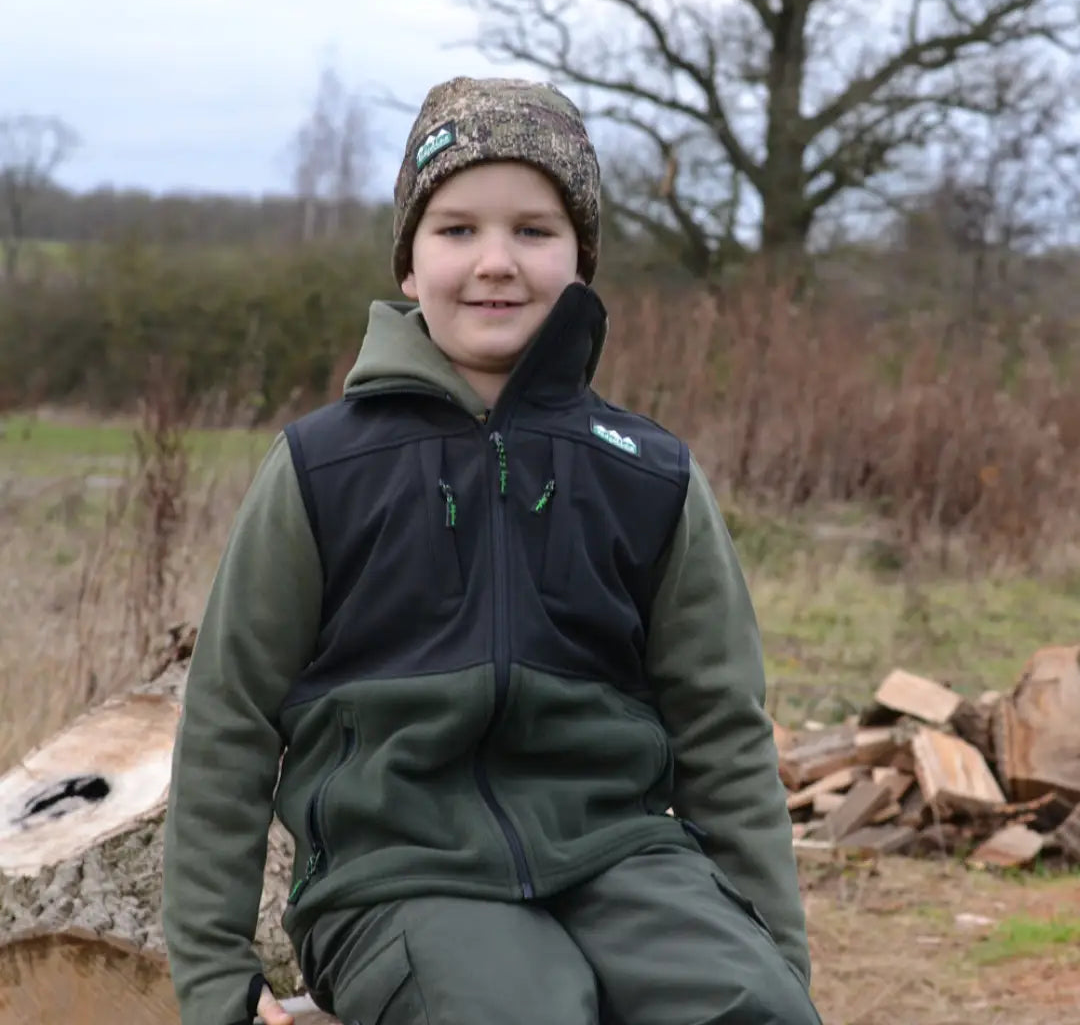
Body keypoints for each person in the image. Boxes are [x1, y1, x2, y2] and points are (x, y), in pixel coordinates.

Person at [162, 76, 822, 1025]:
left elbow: (722, 729)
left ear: (581, 260)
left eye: (536, 231)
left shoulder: (648, 474)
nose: (496, 263)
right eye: (458, 229)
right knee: (521, 1010)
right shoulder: (322, 467)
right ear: (408, 262)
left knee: (750, 1012)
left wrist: (778, 965)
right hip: (397, 880)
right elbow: (227, 723)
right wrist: (220, 992)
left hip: (625, 862)